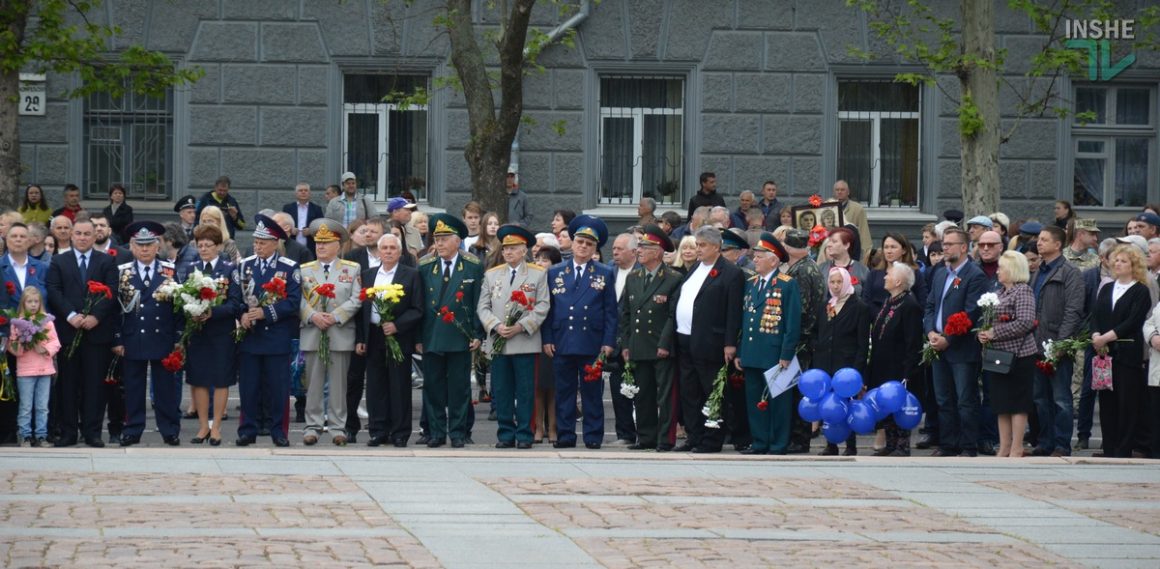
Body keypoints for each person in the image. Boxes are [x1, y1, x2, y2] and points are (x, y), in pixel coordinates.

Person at [543, 215, 617, 449]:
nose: (583, 247)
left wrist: (608, 341)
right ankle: (565, 435)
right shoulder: (555, 272)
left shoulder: (604, 272)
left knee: (591, 392)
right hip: (562, 339)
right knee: (564, 391)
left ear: (595, 248)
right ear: (572, 243)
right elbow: (549, 309)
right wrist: (547, 338)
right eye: (580, 242)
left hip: (591, 341)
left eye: (589, 244)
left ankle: (593, 435)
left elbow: (610, 312)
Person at [671, 226, 744, 453]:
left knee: (711, 391)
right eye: (697, 245)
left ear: (716, 247)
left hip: (711, 342)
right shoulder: (695, 269)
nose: (698, 249)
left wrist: (730, 343)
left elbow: (733, 312)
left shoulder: (731, 273)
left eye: (702, 245)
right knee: (689, 392)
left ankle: (712, 438)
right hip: (685, 339)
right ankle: (694, 435)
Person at [45, 219, 118, 447]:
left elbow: (112, 292)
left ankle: (92, 432)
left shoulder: (106, 261)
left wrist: (95, 316)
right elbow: (54, 291)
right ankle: (68, 432)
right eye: (79, 233)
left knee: (94, 385)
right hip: (69, 331)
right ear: (72, 236)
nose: (83, 237)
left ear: (95, 235)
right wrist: (70, 315)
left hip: (96, 333)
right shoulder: (58, 261)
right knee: (68, 385)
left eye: (88, 233)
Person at [112, 221, 182, 447]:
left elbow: (178, 307)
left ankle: (169, 429)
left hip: (162, 336)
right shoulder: (123, 272)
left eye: (149, 245)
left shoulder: (169, 271)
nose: (144, 249)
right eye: (139, 245)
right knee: (133, 388)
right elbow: (114, 309)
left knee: (165, 388)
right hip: (133, 337)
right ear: (132, 246)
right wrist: (117, 338)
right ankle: (133, 429)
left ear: (157, 246)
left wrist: (178, 338)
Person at [478, 225, 549, 449]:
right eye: (506, 248)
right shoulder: (492, 274)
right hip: (499, 342)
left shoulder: (538, 273)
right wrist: (496, 326)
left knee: (526, 391)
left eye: (514, 248)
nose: (508, 252)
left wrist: (520, 326)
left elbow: (542, 306)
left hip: (524, 341)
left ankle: (525, 434)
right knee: (502, 390)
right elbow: (483, 306)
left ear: (524, 250)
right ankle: (505, 433)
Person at [235, 215, 302, 447]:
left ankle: (278, 432)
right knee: (249, 386)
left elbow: (293, 302)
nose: (258, 246)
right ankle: (247, 430)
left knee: (278, 388)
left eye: (263, 242)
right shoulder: (245, 265)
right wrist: (242, 314)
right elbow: (236, 298)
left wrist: (266, 313)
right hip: (251, 337)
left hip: (276, 337)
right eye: (255, 241)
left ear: (275, 243)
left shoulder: (289, 267)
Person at [296, 219, 363, 446]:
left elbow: (356, 298)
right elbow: (297, 299)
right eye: (318, 243)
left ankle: (337, 427)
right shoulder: (304, 270)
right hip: (314, 331)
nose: (321, 247)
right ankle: (312, 426)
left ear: (338, 245)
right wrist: (312, 316)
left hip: (339, 332)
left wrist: (336, 316)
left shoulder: (351, 269)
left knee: (338, 384)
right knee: (313, 383)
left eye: (326, 243)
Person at [418, 214, 483, 448]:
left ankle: (457, 432)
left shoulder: (473, 267)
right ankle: (436, 432)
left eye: (445, 239)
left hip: (460, 337)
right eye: (437, 239)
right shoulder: (425, 266)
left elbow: (478, 303)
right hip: (432, 335)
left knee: (459, 388)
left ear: (458, 241)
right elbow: (419, 304)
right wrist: (418, 338)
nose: (440, 244)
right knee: (433, 387)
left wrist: (477, 334)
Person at [616, 225, 681, 451]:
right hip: (638, 344)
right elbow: (626, 314)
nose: (640, 250)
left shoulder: (673, 278)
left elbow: (673, 316)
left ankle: (665, 439)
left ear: (659, 251)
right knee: (642, 395)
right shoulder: (634, 277)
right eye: (640, 246)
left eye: (645, 247)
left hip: (660, 346)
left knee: (664, 396)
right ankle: (645, 437)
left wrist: (665, 344)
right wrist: (626, 344)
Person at [923, 227, 987, 457]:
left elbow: (971, 313)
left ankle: (969, 445)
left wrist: (948, 339)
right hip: (937, 346)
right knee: (943, 399)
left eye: (949, 244)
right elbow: (930, 306)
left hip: (961, 349)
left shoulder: (974, 275)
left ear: (963, 247)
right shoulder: (940, 273)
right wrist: (931, 331)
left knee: (965, 399)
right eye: (943, 244)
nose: (944, 248)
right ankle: (948, 444)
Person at [177, 224, 242, 446]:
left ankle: (216, 427)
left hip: (221, 332)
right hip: (197, 332)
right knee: (199, 379)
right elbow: (181, 298)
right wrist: (191, 311)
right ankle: (203, 425)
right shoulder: (190, 269)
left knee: (221, 379)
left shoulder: (228, 269)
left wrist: (212, 312)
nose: (203, 249)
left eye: (208, 245)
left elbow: (235, 304)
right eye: (200, 245)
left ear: (219, 246)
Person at [736, 233, 800, 455]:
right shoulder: (751, 283)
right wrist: (740, 350)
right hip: (752, 351)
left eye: (760, 255)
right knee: (755, 399)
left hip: (775, 353)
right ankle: (760, 441)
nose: (755, 259)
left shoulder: (787, 284)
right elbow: (745, 319)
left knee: (779, 401)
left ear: (773, 259)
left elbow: (792, 323)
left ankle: (778, 442)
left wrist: (787, 353)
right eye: (755, 255)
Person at [360, 233, 424, 447]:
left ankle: (400, 432)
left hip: (398, 335)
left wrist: (397, 324)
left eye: (392, 248)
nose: (388, 251)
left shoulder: (411, 275)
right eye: (384, 248)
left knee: (399, 386)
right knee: (375, 386)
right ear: (378, 252)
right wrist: (361, 338)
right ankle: (378, 430)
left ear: (399, 251)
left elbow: (417, 308)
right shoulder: (368, 275)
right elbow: (362, 309)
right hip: (374, 334)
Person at [1029, 225, 1086, 457]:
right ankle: (1045, 441)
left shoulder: (1070, 272)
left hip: (1057, 344)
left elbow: (1073, 311)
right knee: (1040, 398)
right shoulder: (1037, 271)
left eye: (1044, 240)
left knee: (1061, 398)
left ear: (1057, 244)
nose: (1039, 243)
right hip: (1035, 343)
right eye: (1039, 239)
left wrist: (1061, 344)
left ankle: (1062, 443)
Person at [975, 251, 1037, 458]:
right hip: (998, 355)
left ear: (1012, 269)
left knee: (1017, 403)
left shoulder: (1023, 291)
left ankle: (1017, 447)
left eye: (1001, 267)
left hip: (1020, 356)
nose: (998, 271)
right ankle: (1004, 446)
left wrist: (995, 332)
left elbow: (1025, 321)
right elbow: (990, 320)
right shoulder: (999, 292)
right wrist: (984, 333)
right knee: (1000, 403)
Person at [1091, 245, 1151, 458]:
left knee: (1126, 402)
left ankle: (1123, 448)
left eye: (1124, 261)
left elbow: (1133, 321)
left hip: (1126, 353)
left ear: (1134, 265)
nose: (1118, 264)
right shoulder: (1107, 288)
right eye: (1116, 260)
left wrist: (1106, 337)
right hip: (1104, 353)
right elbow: (1096, 314)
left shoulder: (1140, 290)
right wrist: (1096, 334)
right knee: (1107, 400)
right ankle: (1109, 447)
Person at [866, 262, 923, 455]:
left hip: (898, 365)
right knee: (885, 404)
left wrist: (908, 371)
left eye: (888, 274)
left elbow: (912, 342)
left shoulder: (909, 305)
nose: (884, 277)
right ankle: (890, 444)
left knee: (899, 403)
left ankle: (902, 445)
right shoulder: (889, 301)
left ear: (898, 281)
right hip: (883, 364)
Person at [813, 266, 871, 456]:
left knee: (848, 405)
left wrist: (858, 369)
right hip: (826, 363)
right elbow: (818, 332)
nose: (836, 286)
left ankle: (851, 444)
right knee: (829, 406)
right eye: (832, 282)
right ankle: (831, 443)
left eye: (839, 282)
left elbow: (862, 343)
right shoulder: (826, 305)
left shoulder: (859, 307)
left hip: (846, 365)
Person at [10, 287, 60, 447]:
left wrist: (44, 349)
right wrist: (23, 344)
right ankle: (24, 435)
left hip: (44, 369)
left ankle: (41, 435)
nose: (33, 305)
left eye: (36, 301)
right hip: (25, 371)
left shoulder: (47, 321)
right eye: (29, 302)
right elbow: (13, 346)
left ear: (40, 303)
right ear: (23, 303)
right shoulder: (18, 322)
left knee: (42, 406)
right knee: (25, 405)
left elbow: (55, 342)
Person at [607, 232, 641, 446]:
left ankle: (644, 433)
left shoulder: (641, 272)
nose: (615, 252)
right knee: (618, 391)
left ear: (634, 251)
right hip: (614, 344)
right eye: (614, 249)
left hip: (636, 343)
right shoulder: (609, 272)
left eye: (620, 249)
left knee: (640, 391)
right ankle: (624, 434)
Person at [532, 245, 561, 444]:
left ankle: (553, 427)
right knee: (537, 386)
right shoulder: (531, 280)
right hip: (532, 335)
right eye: (538, 259)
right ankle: (538, 428)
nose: (540, 263)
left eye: (545, 260)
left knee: (552, 386)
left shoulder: (558, 281)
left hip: (554, 336)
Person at [863, 232, 928, 314]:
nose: (889, 251)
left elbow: (922, 300)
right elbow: (866, 299)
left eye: (893, 247)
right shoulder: (874, 273)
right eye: (886, 247)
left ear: (903, 250)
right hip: (877, 319)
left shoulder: (914, 273)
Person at [0, 223, 49, 303]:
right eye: (14, 236)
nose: (18, 239)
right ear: (6, 240)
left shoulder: (42, 268)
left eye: (22, 236)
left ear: (29, 241)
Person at [818, 227, 868, 299]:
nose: (829, 245)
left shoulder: (862, 270)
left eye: (834, 242)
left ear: (846, 245)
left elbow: (867, 300)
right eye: (829, 241)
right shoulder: (821, 269)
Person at [283, 182, 325, 252]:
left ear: (310, 193)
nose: (303, 192)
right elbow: (282, 225)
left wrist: (311, 231)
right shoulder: (288, 208)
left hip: (311, 246)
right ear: (296, 194)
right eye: (300, 190)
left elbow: (322, 227)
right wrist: (290, 230)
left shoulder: (317, 209)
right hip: (291, 246)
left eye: (306, 190)